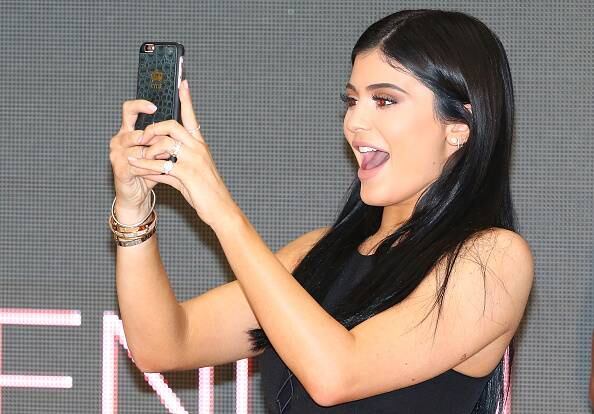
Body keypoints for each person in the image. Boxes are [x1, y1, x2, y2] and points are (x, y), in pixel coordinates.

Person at [108, 9, 533, 413]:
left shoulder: (493, 260)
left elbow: (336, 375)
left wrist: (221, 210)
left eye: (384, 100)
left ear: (459, 127)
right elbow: (164, 344)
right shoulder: (317, 254)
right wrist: (133, 209)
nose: (354, 123)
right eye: (352, 100)